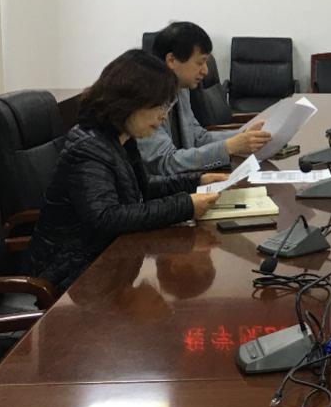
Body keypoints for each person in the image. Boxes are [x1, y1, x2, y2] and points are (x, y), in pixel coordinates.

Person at [27, 50, 225, 292]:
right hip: (73, 276)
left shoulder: (120, 137)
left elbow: (143, 189)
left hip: (107, 260)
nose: (163, 117)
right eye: (158, 106)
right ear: (130, 101)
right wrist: (186, 205)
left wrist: (197, 181)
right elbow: (107, 217)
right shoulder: (88, 148)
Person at [140, 21, 271, 175]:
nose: (205, 71)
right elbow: (166, 163)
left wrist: (243, 135)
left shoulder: (181, 90)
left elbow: (197, 138)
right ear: (171, 61)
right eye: (200, 62)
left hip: (187, 180)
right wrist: (228, 147)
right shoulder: (145, 99)